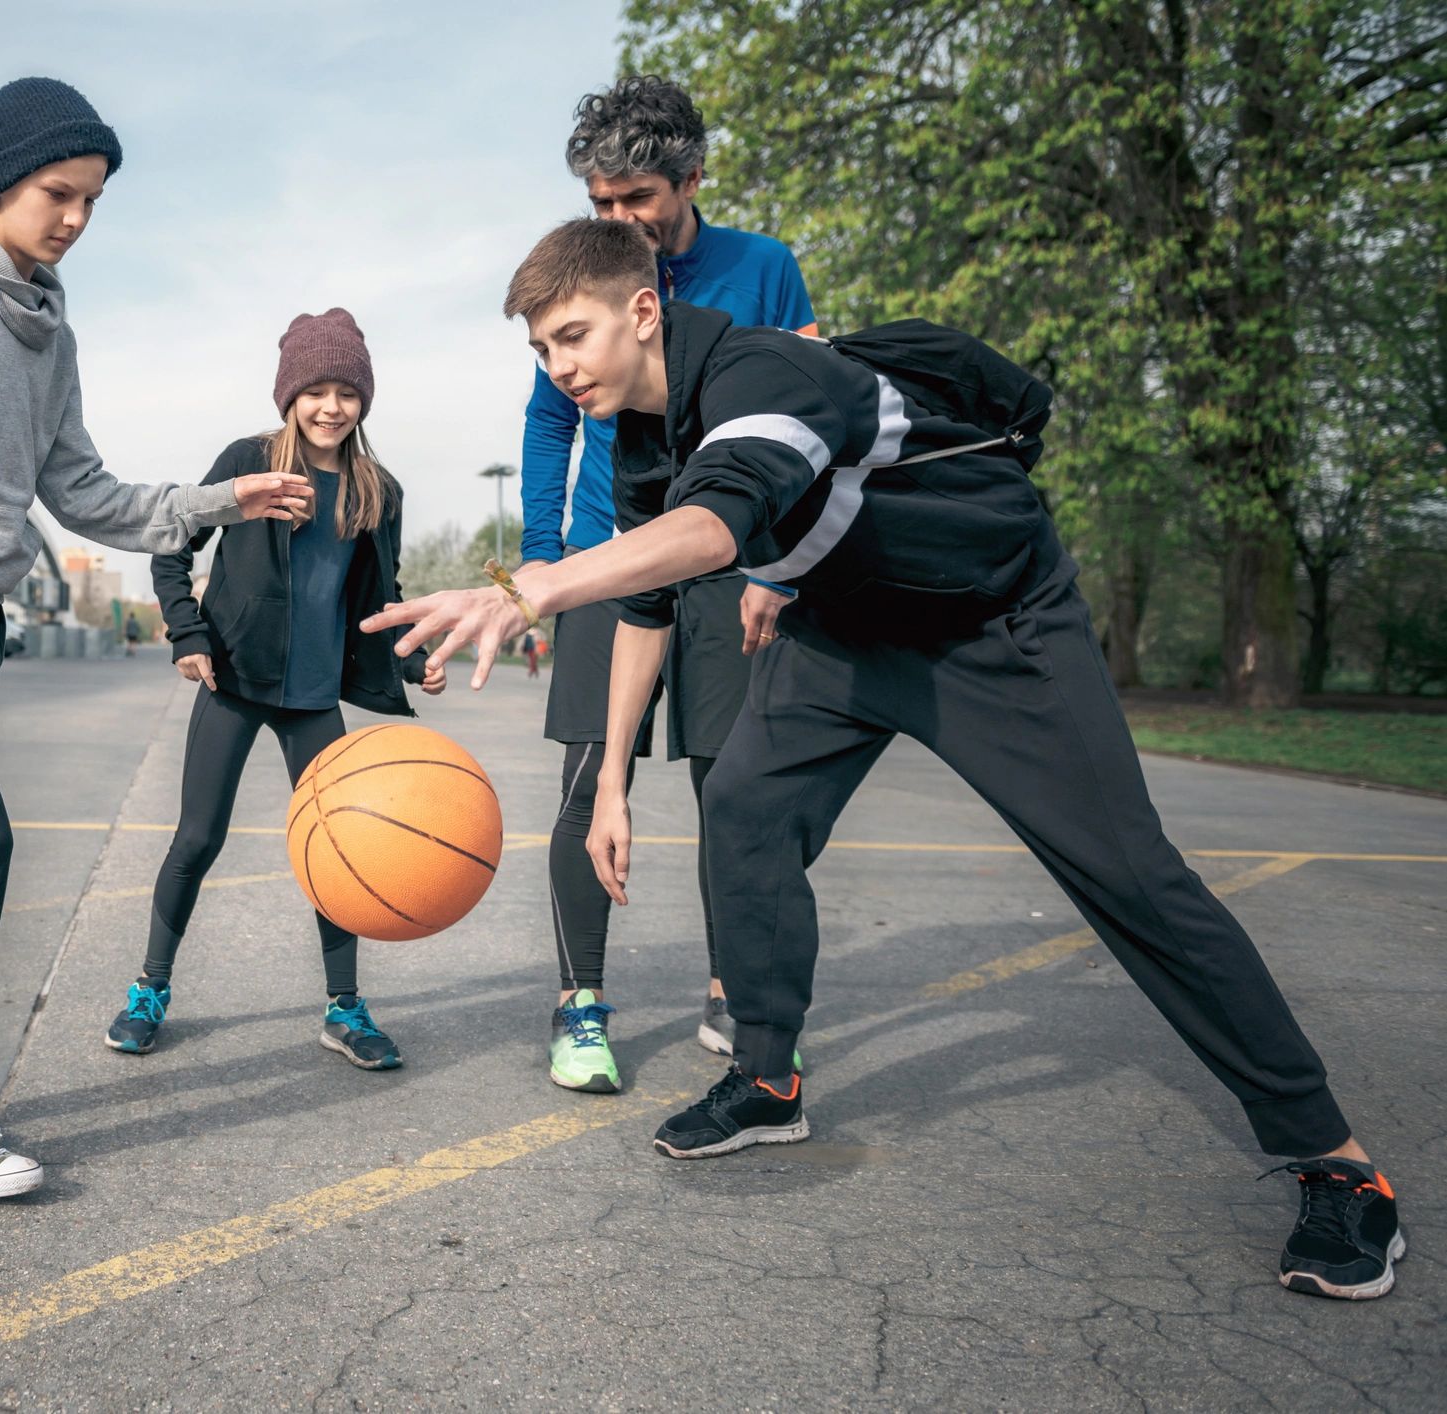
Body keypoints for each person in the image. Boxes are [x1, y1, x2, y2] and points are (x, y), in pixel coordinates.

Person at [363, 217, 1403, 1301]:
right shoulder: (636, 435)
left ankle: (1337, 1162)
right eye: (539, 350)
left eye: (572, 335)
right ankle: (768, 1079)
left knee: (1132, 875)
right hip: (844, 633)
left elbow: (713, 532)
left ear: (641, 310)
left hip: (993, 625)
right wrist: (611, 781)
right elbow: (648, 598)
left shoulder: (765, 372)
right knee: (749, 810)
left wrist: (527, 587)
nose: (559, 366)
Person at [0, 77, 313, 1200]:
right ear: (0, 184)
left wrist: (227, 499)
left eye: (91, 200)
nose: (77, 219)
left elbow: (85, 492)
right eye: (58, 193)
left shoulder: (50, 327)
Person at [519, 77, 817, 1095]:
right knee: (589, 785)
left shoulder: (763, 270)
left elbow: (802, 417)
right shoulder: (589, 281)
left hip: (729, 567)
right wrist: (543, 551)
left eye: (635, 197)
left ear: (693, 178)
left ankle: (733, 989)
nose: (615, 219)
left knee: (731, 789)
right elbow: (550, 420)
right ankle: (579, 1005)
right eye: (600, 201)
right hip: (614, 558)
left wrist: (775, 565)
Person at [104, 310, 444, 1067]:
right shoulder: (250, 459)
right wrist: (188, 635)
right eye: (316, 390)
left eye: (346, 392)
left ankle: (345, 1009)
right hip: (234, 682)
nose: (331, 407)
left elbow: (378, 595)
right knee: (197, 837)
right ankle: (149, 991)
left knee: (340, 850)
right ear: (288, 394)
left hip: (316, 696)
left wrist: (414, 662)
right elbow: (172, 544)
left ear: (363, 400)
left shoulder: (376, 489)